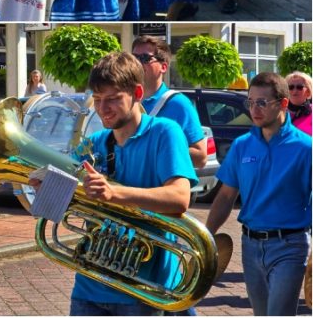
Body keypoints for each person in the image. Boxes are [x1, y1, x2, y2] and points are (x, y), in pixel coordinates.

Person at [47, 52, 196, 316]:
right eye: (98, 99)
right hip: (90, 286)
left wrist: (114, 193)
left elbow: (179, 197)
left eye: (113, 99)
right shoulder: (93, 143)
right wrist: (48, 190)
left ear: (137, 93)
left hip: (144, 288)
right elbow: (57, 206)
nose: (103, 108)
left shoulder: (165, 132)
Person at [206, 72, 311, 316]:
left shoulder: (306, 148)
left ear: (283, 104)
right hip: (250, 246)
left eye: (262, 102)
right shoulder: (242, 144)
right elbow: (225, 196)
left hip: (290, 246)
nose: (254, 109)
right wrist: (207, 237)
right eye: (250, 102)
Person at [132, 35, 207, 168]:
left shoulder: (178, 104)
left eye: (144, 58)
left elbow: (201, 158)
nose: (137, 63)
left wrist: (158, 147)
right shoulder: (126, 100)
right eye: (134, 58)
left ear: (164, 67)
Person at [285, 72, 312, 136]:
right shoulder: (279, 112)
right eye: (290, 87)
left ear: (308, 91)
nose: (294, 91)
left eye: (299, 87)